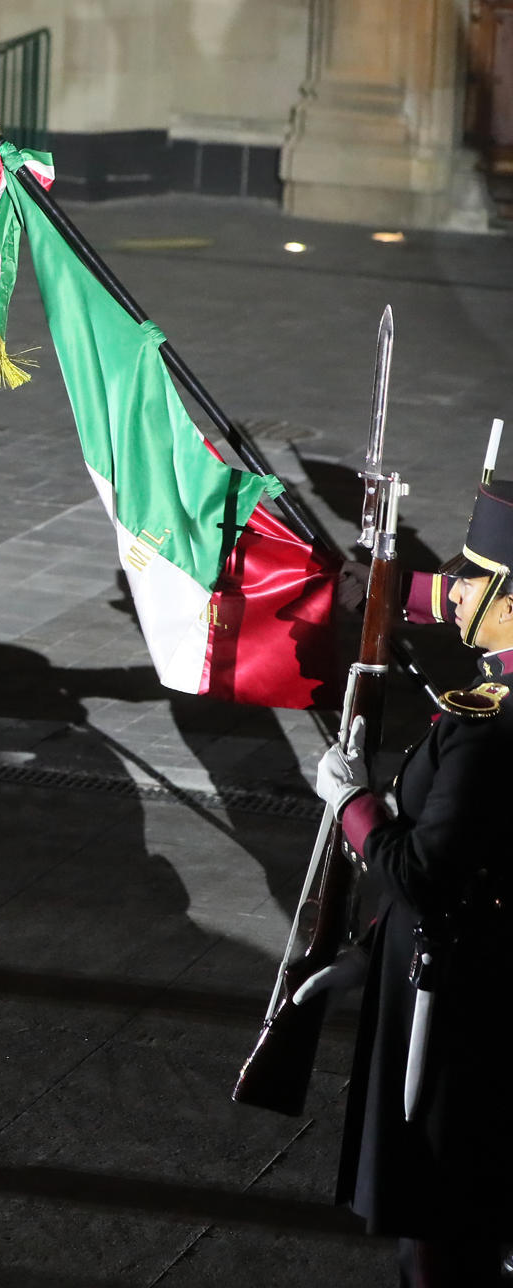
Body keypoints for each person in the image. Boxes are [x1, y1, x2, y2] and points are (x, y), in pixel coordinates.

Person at [314, 459, 513, 1287]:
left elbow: (428, 873)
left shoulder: (488, 727)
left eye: (475, 585)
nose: (455, 594)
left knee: (436, 1212)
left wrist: (352, 804)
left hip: (455, 990)